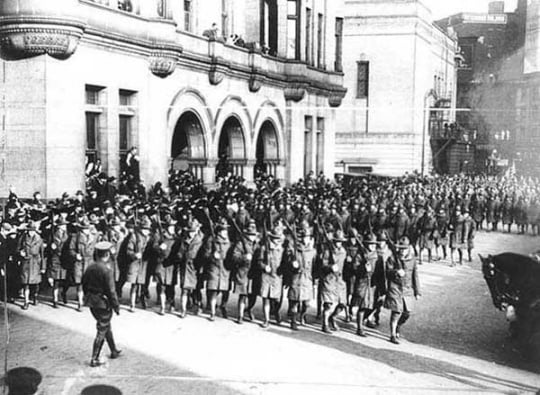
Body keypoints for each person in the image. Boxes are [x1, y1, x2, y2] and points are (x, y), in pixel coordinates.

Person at [82, 241, 121, 367]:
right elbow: (111, 291)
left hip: (92, 302)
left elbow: (84, 284)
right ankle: (94, 358)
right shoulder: (107, 270)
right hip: (103, 303)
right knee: (102, 329)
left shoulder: (90, 267)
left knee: (105, 326)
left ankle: (113, 350)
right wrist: (116, 306)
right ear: (108, 254)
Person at [383, 236, 420, 344]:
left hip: (407, 289)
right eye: (401, 248)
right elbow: (387, 272)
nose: (403, 251)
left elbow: (415, 275)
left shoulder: (412, 259)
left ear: (409, 248)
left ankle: (398, 326)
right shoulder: (392, 258)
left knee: (407, 313)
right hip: (395, 288)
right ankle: (393, 334)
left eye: (405, 249)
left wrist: (417, 291)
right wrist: (395, 272)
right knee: (396, 311)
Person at [202, 218, 232, 321]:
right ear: (219, 231)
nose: (225, 233)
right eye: (223, 231)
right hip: (214, 268)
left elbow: (231, 255)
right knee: (213, 290)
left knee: (225, 291)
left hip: (225, 269)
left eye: (226, 231)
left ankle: (223, 306)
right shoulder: (211, 240)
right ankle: (212, 312)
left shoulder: (228, 243)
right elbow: (205, 255)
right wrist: (212, 256)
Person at [231, 219, 259, 324]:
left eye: (254, 235)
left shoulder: (258, 244)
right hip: (243, 272)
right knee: (243, 295)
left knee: (253, 295)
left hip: (254, 273)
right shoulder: (240, 244)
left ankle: (249, 309)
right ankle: (240, 315)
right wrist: (244, 257)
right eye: (250, 235)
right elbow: (234, 257)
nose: (252, 237)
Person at [320, 230, 348, 334]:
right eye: (336, 241)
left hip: (340, 280)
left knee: (343, 304)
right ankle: (325, 324)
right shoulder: (327, 251)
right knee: (328, 304)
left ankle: (333, 317)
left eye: (340, 241)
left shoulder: (344, 252)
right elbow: (322, 266)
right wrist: (330, 267)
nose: (338, 243)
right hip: (329, 279)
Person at [352, 233, 378, 337]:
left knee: (373, 304)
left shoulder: (376, 255)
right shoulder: (360, 255)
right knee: (362, 306)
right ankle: (360, 328)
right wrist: (363, 268)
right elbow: (354, 268)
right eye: (370, 244)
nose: (373, 246)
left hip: (372, 283)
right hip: (362, 282)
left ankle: (364, 320)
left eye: (374, 244)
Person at [18, 221, 45, 310]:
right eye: (29, 230)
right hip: (25, 262)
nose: (31, 232)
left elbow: (42, 254)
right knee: (26, 283)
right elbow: (17, 249)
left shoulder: (39, 239)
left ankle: (35, 296)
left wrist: (43, 267)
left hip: (35, 263)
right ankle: (26, 301)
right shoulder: (23, 238)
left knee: (36, 283)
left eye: (32, 230)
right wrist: (20, 253)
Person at [47, 217, 69, 308]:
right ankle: (55, 299)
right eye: (63, 225)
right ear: (59, 226)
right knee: (56, 280)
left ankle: (64, 293)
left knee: (66, 280)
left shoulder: (67, 235)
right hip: (56, 258)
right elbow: (48, 248)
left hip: (65, 259)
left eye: (65, 225)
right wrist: (51, 247)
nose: (65, 226)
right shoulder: (53, 235)